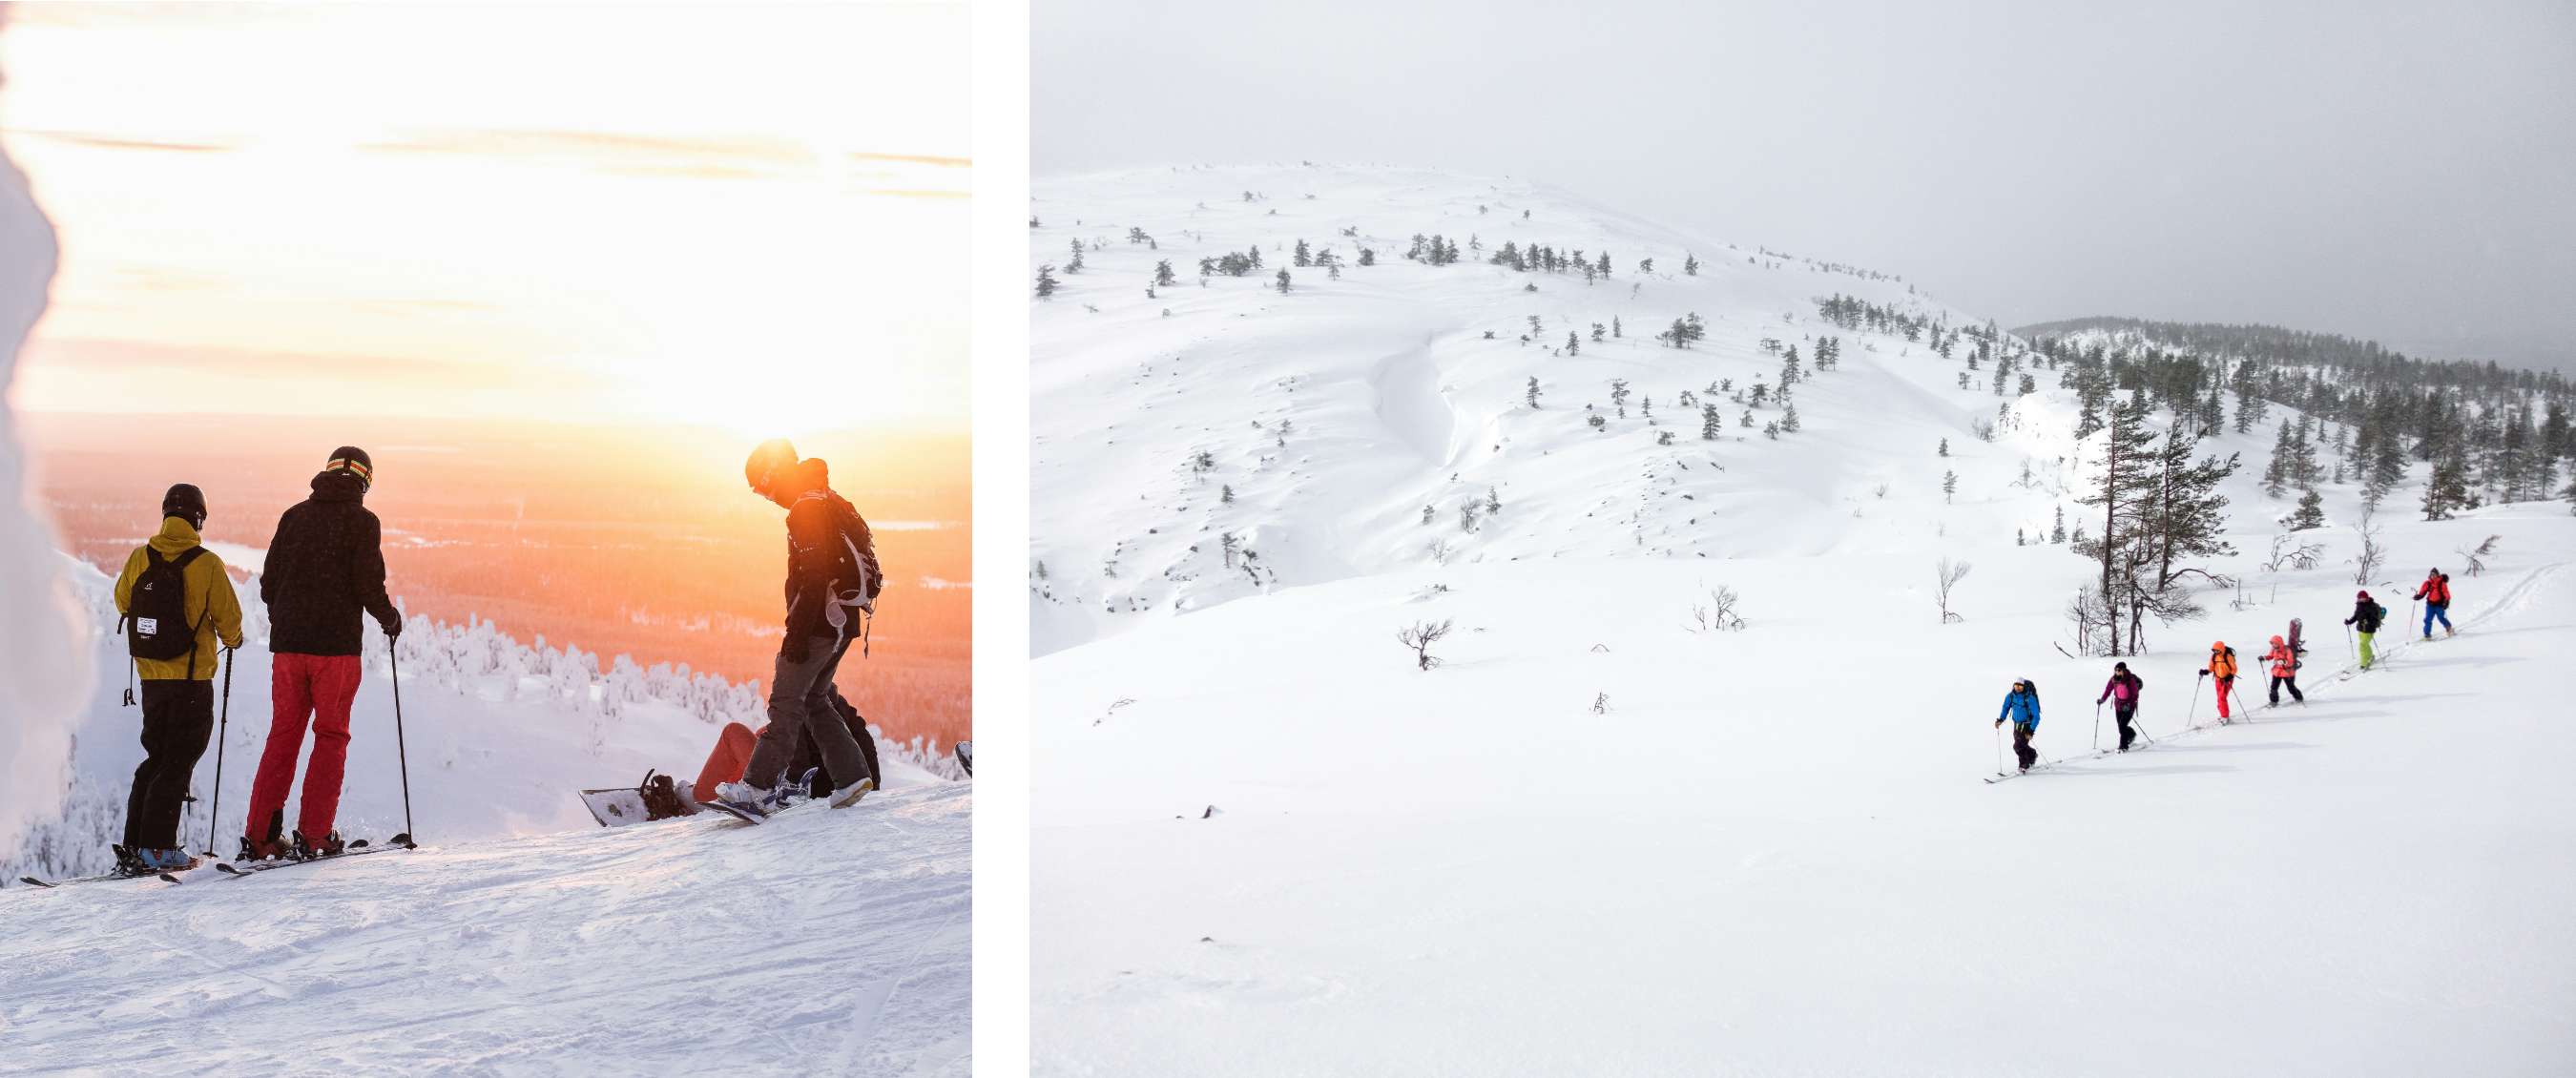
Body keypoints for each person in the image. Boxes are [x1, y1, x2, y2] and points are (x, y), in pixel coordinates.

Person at [243, 447, 402, 860]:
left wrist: (287, 617)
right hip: (335, 651)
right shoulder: (363, 522)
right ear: (365, 481)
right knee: (330, 737)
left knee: (284, 736)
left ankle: (260, 837)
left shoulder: (294, 516)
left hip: (289, 649)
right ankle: (314, 835)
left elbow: (268, 583)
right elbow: (368, 584)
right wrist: (389, 618)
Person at [715, 440, 883, 814]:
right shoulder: (828, 498)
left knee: (786, 704)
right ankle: (852, 777)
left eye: (761, 486)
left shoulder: (806, 509)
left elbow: (814, 576)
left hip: (819, 622)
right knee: (815, 700)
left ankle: (756, 790)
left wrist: (796, 635)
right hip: (844, 620)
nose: (765, 495)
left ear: (773, 475)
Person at [110, 484, 245, 874]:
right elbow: (229, 620)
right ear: (198, 518)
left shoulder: (140, 557)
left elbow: (122, 601)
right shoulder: (206, 563)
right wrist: (234, 640)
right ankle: (157, 849)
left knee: (156, 756)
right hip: (190, 680)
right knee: (179, 759)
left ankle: (136, 843)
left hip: (151, 678)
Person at [1994, 678, 2041, 773]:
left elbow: (2036, 716)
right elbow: (2005, 708)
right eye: (2016, 686)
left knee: (2018, 746)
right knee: (2021, 745)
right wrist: (2001, 719)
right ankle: (2032, 755)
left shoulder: (2030, 698)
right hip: (2016, 725)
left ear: (2024, 687)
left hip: (2027, 725)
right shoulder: (2011, 696)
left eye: (2020, 686)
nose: (2018, 688)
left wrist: (2031, 731)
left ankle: (2024, 765)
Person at [2094, 661, 2144, 752]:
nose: (2117, 671)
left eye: (2119, 670)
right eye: (2115, 669)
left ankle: (2123, 747)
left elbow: (2135, 694)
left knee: (2122, 726)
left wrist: (2129, 704)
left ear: (2123, 670)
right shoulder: (2114, 679)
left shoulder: (2130, 680)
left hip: (2130, 707)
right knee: (2121, 727)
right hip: (2118, 706)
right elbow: (2108, 690)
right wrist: (2102, 700)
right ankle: (2131, 735)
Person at [2343, 590, 2387, 671]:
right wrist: (2349, 622)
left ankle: (2364, 663)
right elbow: (2356, 616)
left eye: (2363, 598)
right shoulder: (2359, 605)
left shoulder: (2371, 606)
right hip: (2361, 629)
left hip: (2369, 630)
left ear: (2366, 597)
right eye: (2360, 598)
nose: (2361, 599)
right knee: (2365, 644)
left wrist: (2368, 622)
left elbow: (2374, 619)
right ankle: (2370, 656)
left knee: (2362, 646)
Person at [2200, 640, 2239, 723]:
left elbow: (2234, 669)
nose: (2216, 652)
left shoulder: (2228, 656)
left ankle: (2225, 717)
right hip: (2218, 680)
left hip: (2227, 680)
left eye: (2217, 650)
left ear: (2221, 649)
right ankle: (2223, 714)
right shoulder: (2214, 657)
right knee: (2219, 698)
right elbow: (2211, 668)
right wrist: (2205, 671)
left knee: (2222, 697)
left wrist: (2229, 676)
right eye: (2214, 650)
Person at [2263, 634, 2304, 706]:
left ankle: (2299, 698)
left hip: (2287, 672)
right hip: (2277, 672)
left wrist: (2284, 662)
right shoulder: (2273, 649)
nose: (2273, 645)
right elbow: (2270, 656)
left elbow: (2290, 661)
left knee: (2291, 688)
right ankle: (2274, 701)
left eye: (2274, 643)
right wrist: (2264, 658)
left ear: (2279, 643)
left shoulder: (2287, 650)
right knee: (2273, 687)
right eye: (2272, 643)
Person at [2413, 568, 2453, 639]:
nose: (2433, 576)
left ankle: (2449, 628)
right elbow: (2422, 592)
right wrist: (2418, 596)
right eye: (2431, 574)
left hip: (2439, 605)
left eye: (2434, 574)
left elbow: (2446, 593)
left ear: (2437, 575)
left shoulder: (2442, 583)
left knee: (2441, 618)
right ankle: (2427, 634)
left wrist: (2446, 601)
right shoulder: (2428, 583)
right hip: (2430, 605)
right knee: (2427, 619)